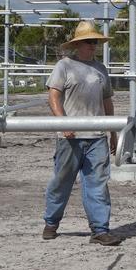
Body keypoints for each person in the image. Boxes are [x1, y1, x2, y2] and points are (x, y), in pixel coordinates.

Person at [42, 21, 121, 246]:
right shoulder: (64, 66)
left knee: (97, 183)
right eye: (89, 42)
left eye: (95, 42)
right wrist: (63, 122)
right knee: (62, 180)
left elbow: (107, 102)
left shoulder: (100, 69)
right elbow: (54, 97)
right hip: (70, 136)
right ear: (78, 44)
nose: (93, 46)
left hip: (96, 136)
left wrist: (112, 131)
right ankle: (51, 222)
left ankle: (100, 229)